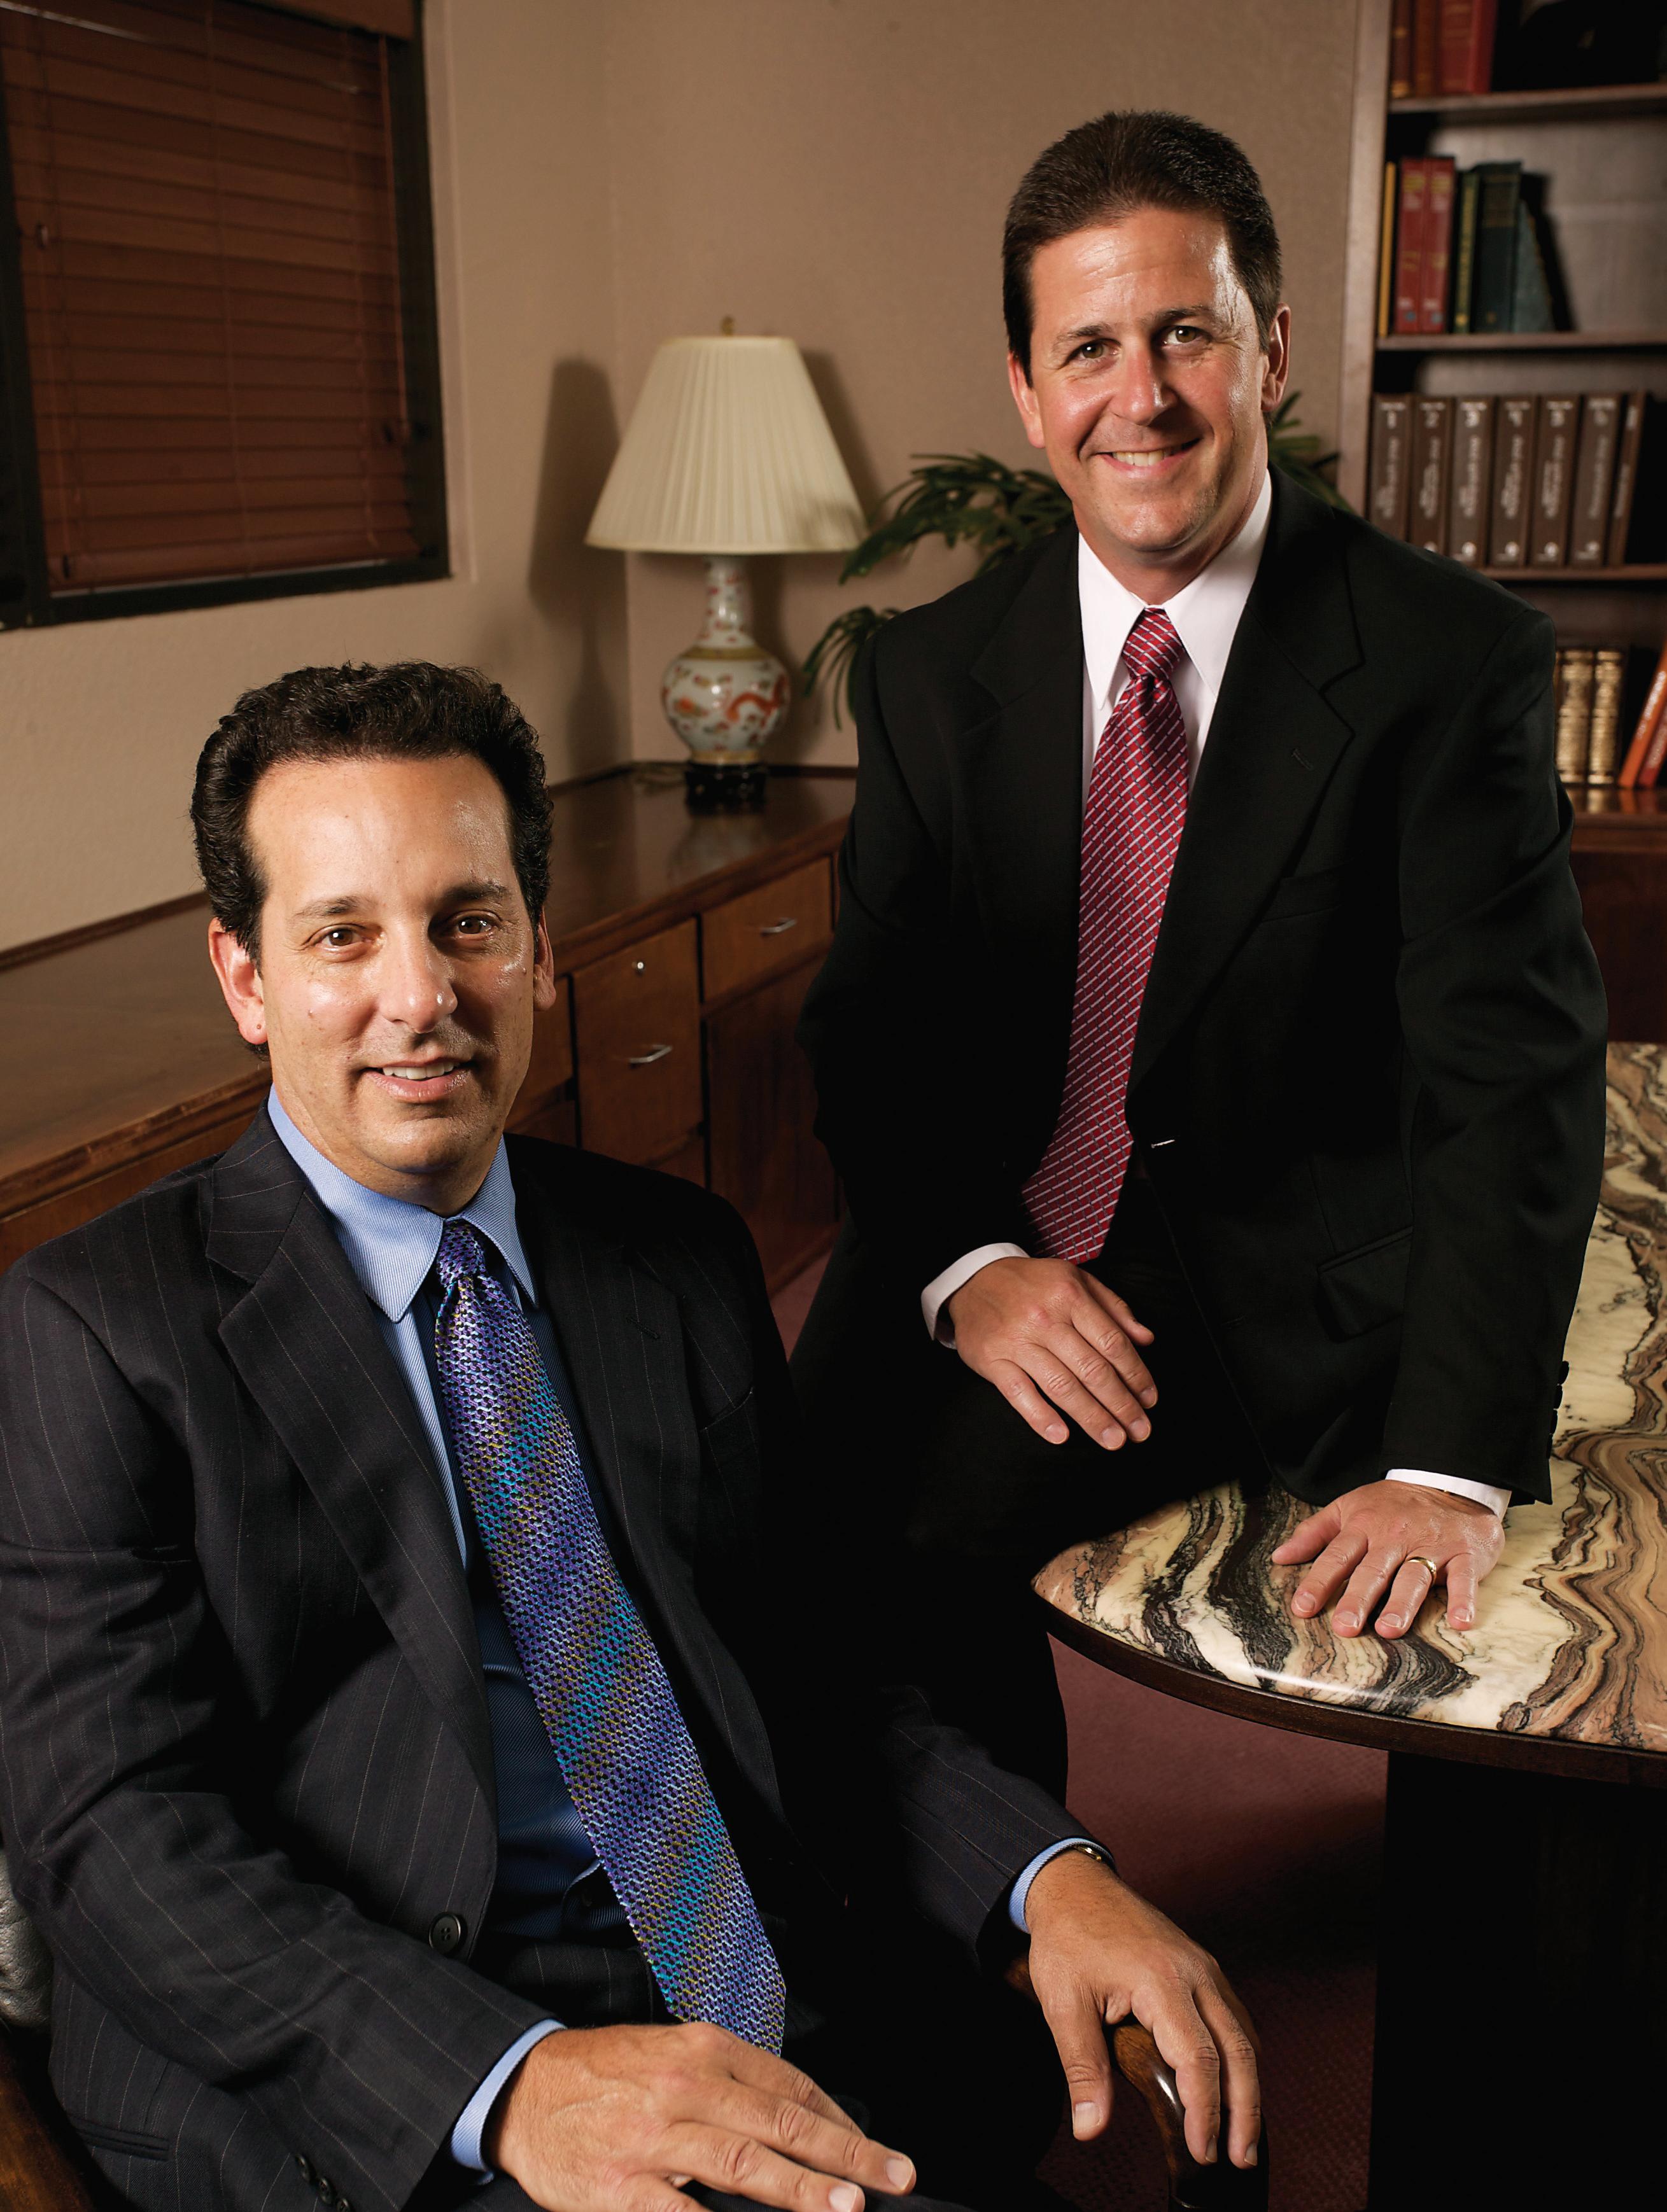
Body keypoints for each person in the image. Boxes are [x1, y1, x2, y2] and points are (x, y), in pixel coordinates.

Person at [0, 663, 1261, 2212]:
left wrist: (1047, 1875)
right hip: (381, 2077)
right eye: (341, 936)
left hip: (742, 1972)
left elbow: (815, 1671)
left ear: (539, 949)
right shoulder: (95, 1327)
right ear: (244, 976)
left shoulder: (674, 1256)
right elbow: (112, 1835)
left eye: (467, 921)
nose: (421, 996)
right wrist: (509, 2080)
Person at [792, 109, 1607, 1789]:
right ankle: (976, 1890)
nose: (1141, 395)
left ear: (1270, 352)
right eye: (1087, 347)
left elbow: (1509, 1084)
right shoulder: (933, 674)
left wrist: (1448, 1465)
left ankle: (1022, 1905)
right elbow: (872, 1031)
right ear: (1025, 390)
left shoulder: (1444, 664)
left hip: (1265, 1266)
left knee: (923, 1538)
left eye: (1186, 334)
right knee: (761, 1520)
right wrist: (966, 1267)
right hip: (992, 1227)